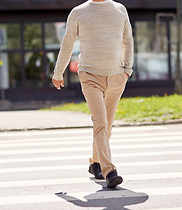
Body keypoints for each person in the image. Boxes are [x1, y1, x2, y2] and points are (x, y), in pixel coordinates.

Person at [52, 0, 133, 188]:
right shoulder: (78, 12)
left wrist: (127, 70)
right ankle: (109, 171)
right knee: (100, 123)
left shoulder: (120, 9)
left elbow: (128, 40)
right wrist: (58, 73)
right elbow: (68, 42)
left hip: (117, 77)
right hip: (90, 76)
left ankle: (95, 162)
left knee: (107, 127)